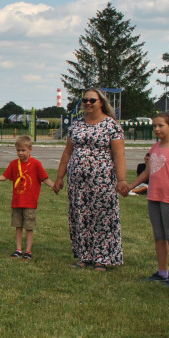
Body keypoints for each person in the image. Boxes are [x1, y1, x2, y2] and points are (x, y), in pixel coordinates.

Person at [53, 88, 129, 271]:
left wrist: (122, 180)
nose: (87, 103)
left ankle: (103, 257)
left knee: (103, 218)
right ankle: (84, 255)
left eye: (92, 100)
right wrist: (59, 177)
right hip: (77, 182)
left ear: (101, 102)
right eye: (85, 100)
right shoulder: (76, 125)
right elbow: (68, 152)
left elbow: (119, 154)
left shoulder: (112, 126)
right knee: (81, 217)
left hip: (102, 181)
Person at [129, 112, 169, 287]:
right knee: (159, 235)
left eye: (161, 125)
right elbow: (147, 173)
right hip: (154, 196)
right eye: (154, 125)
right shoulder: (155, 148)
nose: (156, 128)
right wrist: (130, 186)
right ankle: (162, 272)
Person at [0, 135, 53, 260]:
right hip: (17, 202)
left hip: (30, 202)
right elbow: (4, 177)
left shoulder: (36, 164)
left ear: (30, 150)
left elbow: (45, 178)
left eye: (23, 150)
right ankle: (18, 249)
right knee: (18, 226)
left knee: (29, 227)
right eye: (18, 150)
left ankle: (28, 250)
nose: (20, 153)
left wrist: (54, 186)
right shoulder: (14, 164)